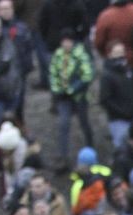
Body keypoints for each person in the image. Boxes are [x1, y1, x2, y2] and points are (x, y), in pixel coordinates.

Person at [47, 28, 94, 171]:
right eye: (64, 42)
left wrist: (72, 89)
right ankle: (63, 156)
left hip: (78, 96)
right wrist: (57, 90)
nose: (66, 44)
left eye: (69, 41)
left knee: (84, 122)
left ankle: (90, 148)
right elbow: (52, 73)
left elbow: (87, 74)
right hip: (63, 97)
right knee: (63, 124)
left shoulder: (80, 54)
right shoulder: (58, 55)